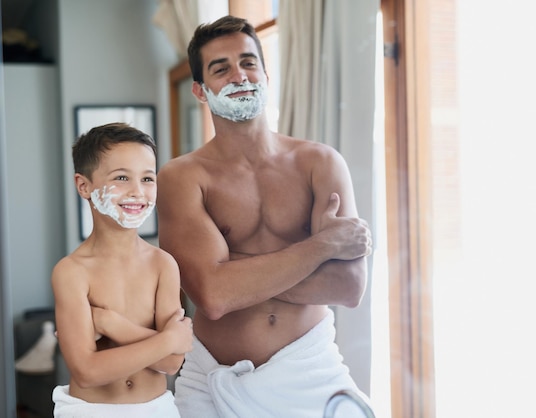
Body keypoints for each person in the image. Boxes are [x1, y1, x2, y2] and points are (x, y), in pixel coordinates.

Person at [156, 15, 373, 418]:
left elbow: (348, 287)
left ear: (266, 73)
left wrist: (234, 275)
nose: (239, 74)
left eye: (248, 62)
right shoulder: (181, 177)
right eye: (221, 68)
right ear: (201, 91)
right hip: (213, 382)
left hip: (312, 370)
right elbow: (214, 298)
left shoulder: (320, 162)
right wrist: (321, 246)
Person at [51, 122, 194, 417]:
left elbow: (171, 363)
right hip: (89, 411)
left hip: (157, 408)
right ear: (84, 185)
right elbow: (88, 371)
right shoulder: (71, 272)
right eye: (121, 178)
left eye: (147, 178)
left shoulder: (162, 264)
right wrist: (167, 339)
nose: (137, 191)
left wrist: (110, 324)